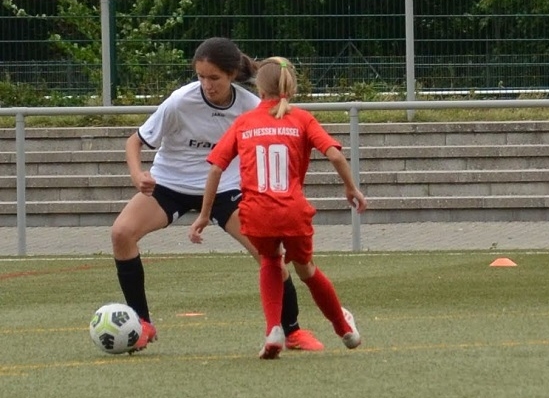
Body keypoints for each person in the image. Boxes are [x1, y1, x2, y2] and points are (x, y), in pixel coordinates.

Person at [108, 37, 324, 352]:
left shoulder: (250, 105)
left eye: (214, 78)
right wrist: (138, 174)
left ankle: (292, 331)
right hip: (170, 184)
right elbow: (134, 141)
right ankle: (141, 323)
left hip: (226, 188)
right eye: (201, 77)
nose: (207, 85)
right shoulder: (180, 101)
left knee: (269, 255)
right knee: (121, 233)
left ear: (232, 74)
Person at [189, 57, 367, 359]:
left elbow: (216, 169)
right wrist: (351, 188)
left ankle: (274, 330)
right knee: (306, 269)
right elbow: (336, 156)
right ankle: (344, 329)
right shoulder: (302, 119)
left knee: (270, 262)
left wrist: (205, 215)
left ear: (259, 88)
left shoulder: (243, 122)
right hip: (293, 210)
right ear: (291, 87)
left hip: (256, 211)